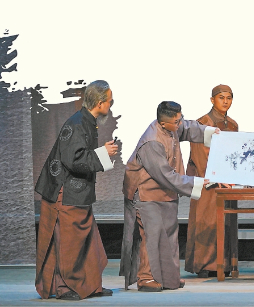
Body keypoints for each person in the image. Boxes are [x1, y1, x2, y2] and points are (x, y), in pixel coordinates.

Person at [120, 101, 218, 292]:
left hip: (165, 192)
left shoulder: (173, 126)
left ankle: (167, 277)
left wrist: (211, 132)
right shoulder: (152, 142)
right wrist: (196, 182)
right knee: (151, 235)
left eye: (180, 118)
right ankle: (146, 278)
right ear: (163, 123)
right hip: (146, 192)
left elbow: (188, 128)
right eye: (176, 121)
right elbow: (165, 175)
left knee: (169, 234)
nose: (180, 123)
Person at [34, 79, 118, 301]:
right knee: (68, 243)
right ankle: (65, 287)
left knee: (89, 241)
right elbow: (73, 160)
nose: (110, 105)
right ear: (99, 103)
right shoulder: (77, 123)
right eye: (109, 101)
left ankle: (90, 285)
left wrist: (101, 153)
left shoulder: (87, 121)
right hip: (66, 192)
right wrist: (103, 154)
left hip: (78, 192)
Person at [185, 84, 239, 278]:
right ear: (212, 100)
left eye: (229, 98)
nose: (225, 102)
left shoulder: (232, 124)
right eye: (221, 98)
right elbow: (199, 156)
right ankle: (204, 265)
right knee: (206, 221)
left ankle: (224, 264)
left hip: (227, 182)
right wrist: (213, 177)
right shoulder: (201, 123)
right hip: (207, 181)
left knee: (226, 222)